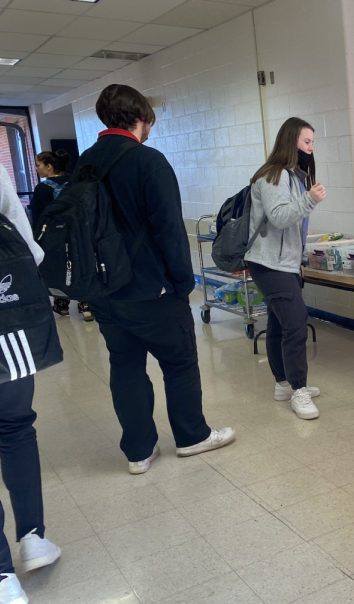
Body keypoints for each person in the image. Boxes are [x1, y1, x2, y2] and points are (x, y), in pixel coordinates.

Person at [76, 84, 235, 473]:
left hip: (103, 290)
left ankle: (138, 452)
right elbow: (169, 230)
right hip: (152, 289)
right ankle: (192, 436)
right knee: (179, 363)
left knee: (125, 366)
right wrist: (183, 283)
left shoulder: (84, 163)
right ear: (140, 118)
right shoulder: (148, 161)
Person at [0, 160, 62, 604]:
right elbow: (27, 248)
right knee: (16, 427)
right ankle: (32, 539)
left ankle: (1, 580)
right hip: (6, 325)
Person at [246, 118, 326, 420]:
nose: (310, 148)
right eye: (307, 142)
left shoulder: (292, 175)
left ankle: (283, 383)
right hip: (268, 263)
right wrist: (310, 199)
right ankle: (298, 390)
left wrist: (298, 263)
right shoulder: (273, 176)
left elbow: (294, 230)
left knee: (280, 324)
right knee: (296, 321)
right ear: (291, 141)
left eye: (312, 143)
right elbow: (279, 217)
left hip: (284, 263)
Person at [31, 150, 93, 321]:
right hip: (79, 232)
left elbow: (39, 216)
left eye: (38, 165)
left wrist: (36, 238)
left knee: (58, 267)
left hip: (54, 236)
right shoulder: (75, 183)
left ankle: (62, 304)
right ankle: (85, 304)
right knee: (80, 263)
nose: (36, 169)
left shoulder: (43, 188)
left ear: (49, 166)